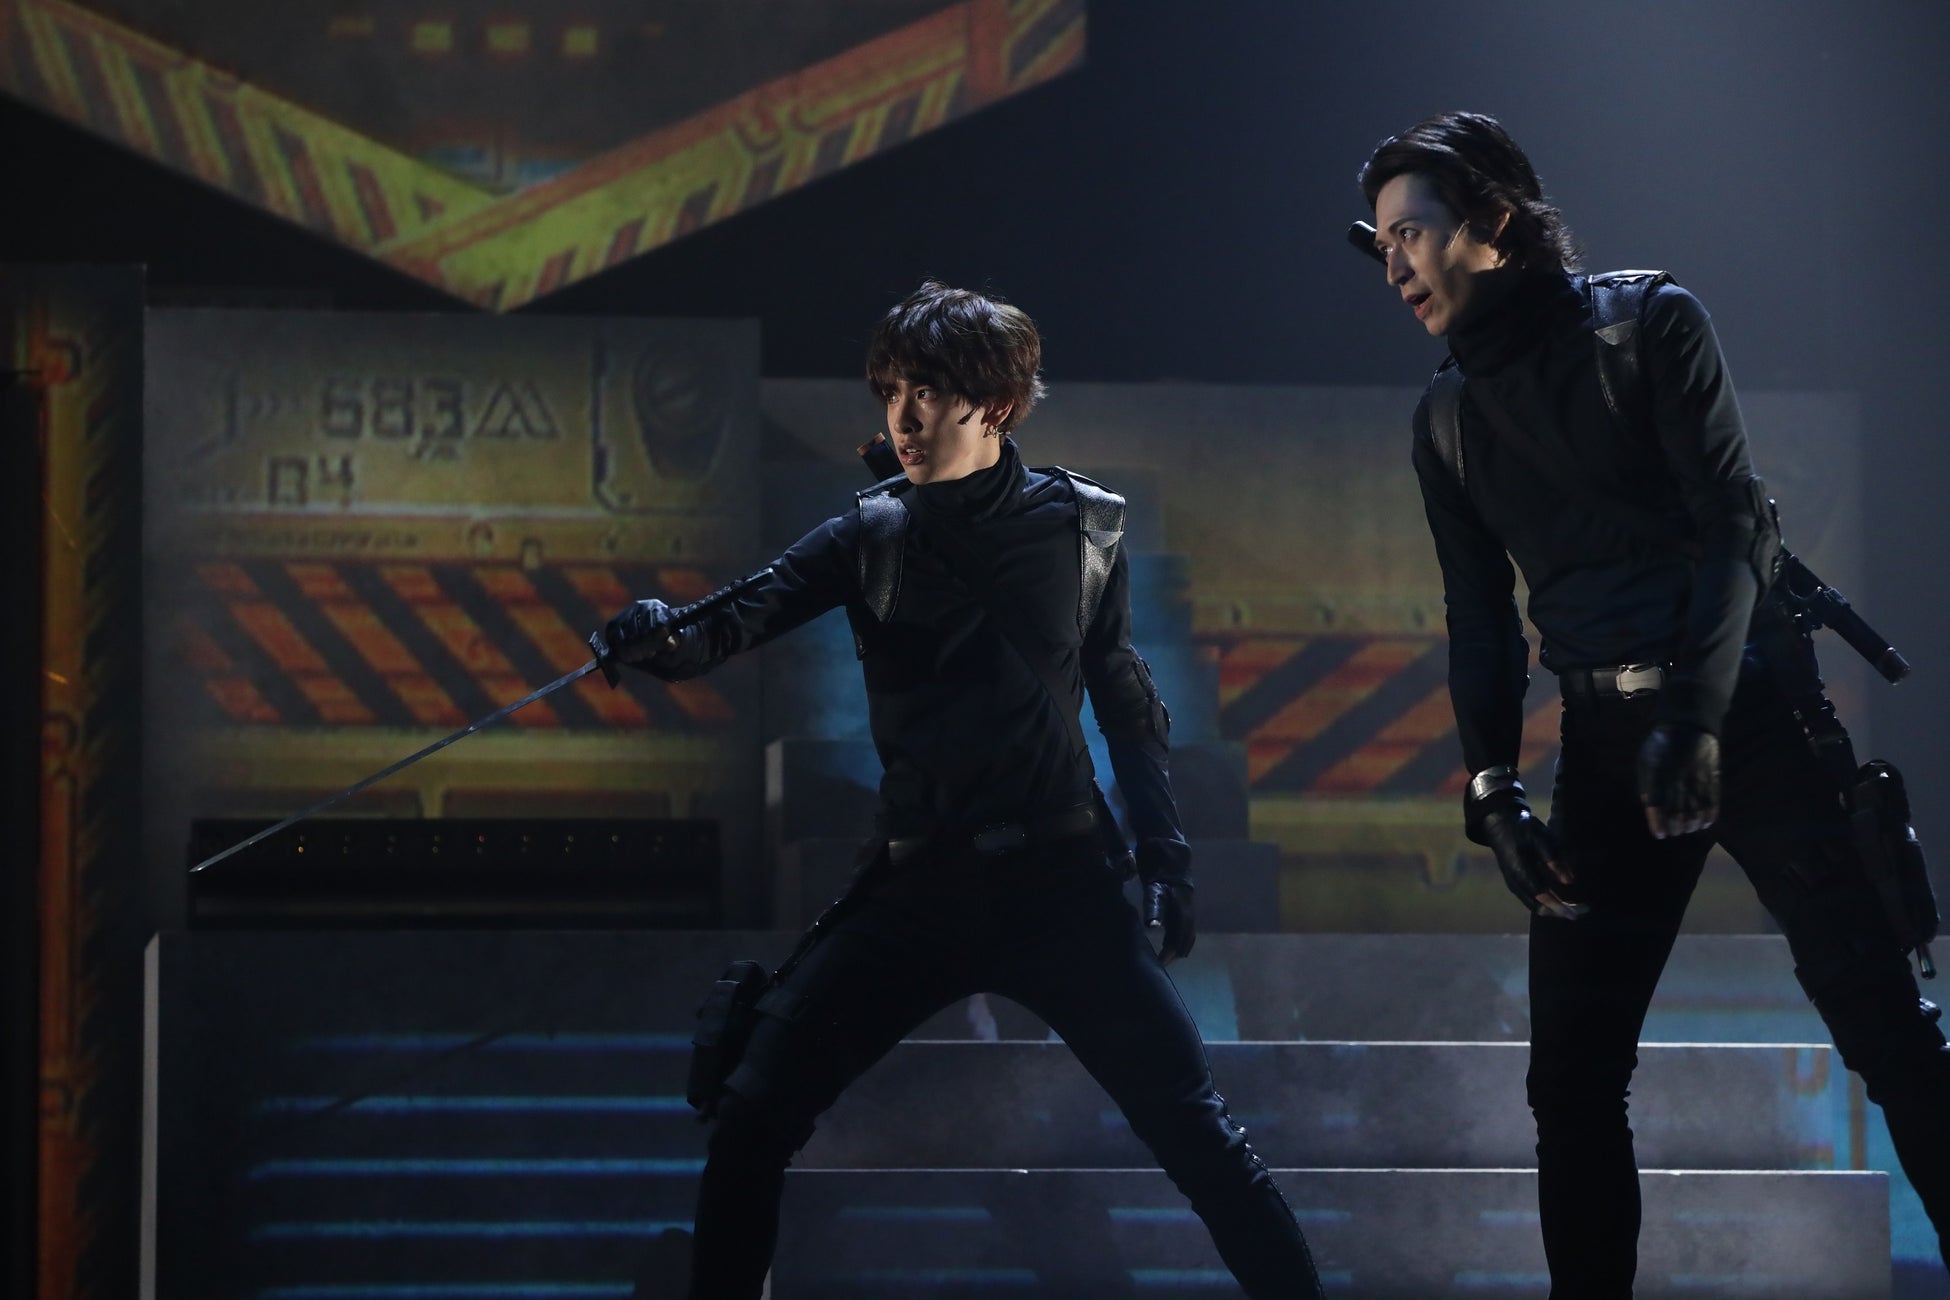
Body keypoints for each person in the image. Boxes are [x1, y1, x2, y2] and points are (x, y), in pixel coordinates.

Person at [604, 281, 1323, 1299]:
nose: (902, 416)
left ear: (994, 401)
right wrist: (654, 635)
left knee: (1198, 1134)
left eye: (928, 392)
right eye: (891, 391)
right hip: (919, 886)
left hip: (1062, 884)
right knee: (752, 1114)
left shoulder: (1085, 524)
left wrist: (1166, 857)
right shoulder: (872, 534)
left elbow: (1126, 700)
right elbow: (728, 624)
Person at [1357, 110, 1950, 1296]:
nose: (1393, 265)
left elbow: (1733, 525)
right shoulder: (1447, 419)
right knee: (1571, 1082)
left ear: (1494, 224)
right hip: (1601, 745)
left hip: (1752, 714)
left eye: (1411, 232)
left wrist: (1697, 713)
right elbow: (1479, 616)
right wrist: (1493, 787)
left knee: (1885, 1028)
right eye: (1379, 246)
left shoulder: (1647, 324)